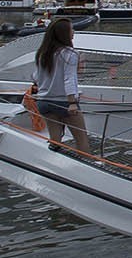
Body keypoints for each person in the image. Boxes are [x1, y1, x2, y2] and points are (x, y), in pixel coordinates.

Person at [33, 16, 92, 155]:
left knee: (55, 140)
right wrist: (72, 103)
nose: (74, 32)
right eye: (72, 29)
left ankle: (53, 162)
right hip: (64, 102)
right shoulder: (70, 53)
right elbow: (69, 79)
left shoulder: (43, 53)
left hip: (44, 101)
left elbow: (35, 77)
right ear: (64, 34)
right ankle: (85, 164)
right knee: (82, 140)